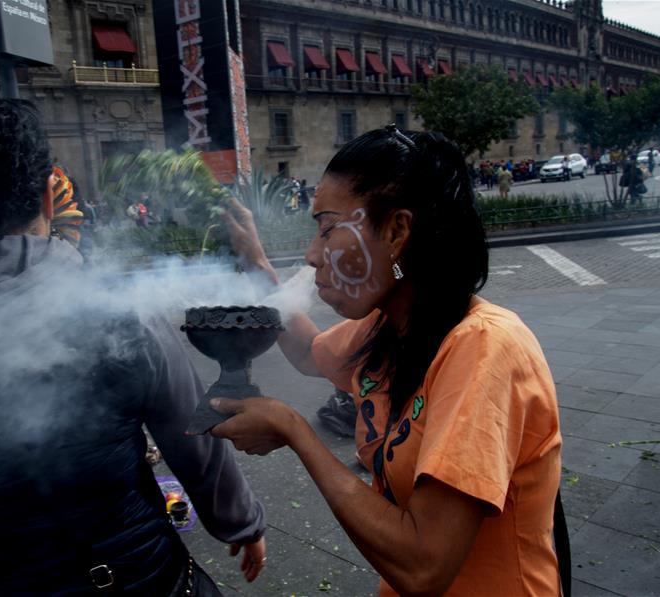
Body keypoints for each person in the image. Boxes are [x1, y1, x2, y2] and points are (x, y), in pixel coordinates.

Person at [0, 78, 266, 597]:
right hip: (137, 579)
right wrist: (240, 523)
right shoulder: (123, 308)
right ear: (49, 195)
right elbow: (196, 437)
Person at [215, 126, 563, 596]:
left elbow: (424, 567)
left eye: (328, 228)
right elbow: (306, 352)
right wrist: (257, 263)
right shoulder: (388, 327)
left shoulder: (485, 346)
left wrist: (295, 430)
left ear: (397, 231)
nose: (313, 255)